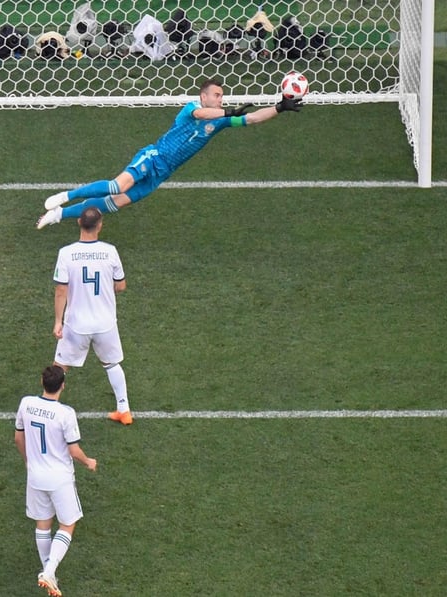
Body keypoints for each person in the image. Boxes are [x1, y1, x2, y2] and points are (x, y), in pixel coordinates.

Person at [37, 78, 303, 229]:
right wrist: (228, 111)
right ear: (204, 95)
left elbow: (253, 119)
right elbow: (201, 114)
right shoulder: (191, 108)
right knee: (116, 185)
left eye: (223, 97)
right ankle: (66, 195)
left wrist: (279, 107)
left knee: (114, 204)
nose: (221, 99)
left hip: (161, 174)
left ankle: (58, 215)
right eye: (217, 95)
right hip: (153, 157)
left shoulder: (220, 121)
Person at [14, 365, 97, 597]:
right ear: (63, 385)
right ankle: (49, 572)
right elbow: (74, 450)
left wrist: (28, 462)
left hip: (36, 475)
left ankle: (48, 571)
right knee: (67, 524)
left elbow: (18, 438)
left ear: (42, 382)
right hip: (59, 478)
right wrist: (88, 461)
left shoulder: (26, 403)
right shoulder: (65, 413)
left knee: (42, 524)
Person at [52, 207, 134, 424]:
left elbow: (61, 290)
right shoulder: (110, 251)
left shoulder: (66, 253)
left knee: (60, 366)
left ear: (79, 222)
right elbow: (121, 285)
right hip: (105, 323)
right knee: (111, 364)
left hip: (77, 324)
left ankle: (50, 406)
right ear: (100, 225)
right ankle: (124, 410)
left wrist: (58, 322)